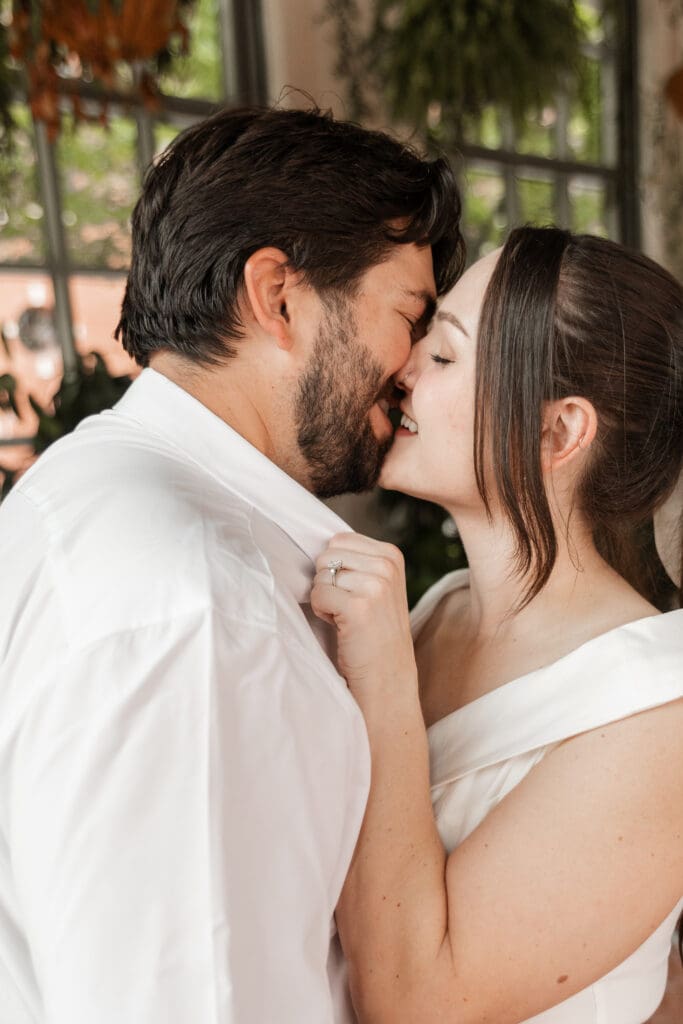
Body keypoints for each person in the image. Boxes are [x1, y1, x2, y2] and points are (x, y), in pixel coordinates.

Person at [0, 105, 464, 1023]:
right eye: (410, 318)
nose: (413, 370)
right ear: (278, 297)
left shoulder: (84, 491)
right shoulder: (199, 607)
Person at [312, 226, 683, 1024]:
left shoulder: (656, 717)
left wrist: (380, 674)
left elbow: (417, 1004)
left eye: (442, 355)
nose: (401, 369)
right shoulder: (440, 606)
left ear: (558, 432)